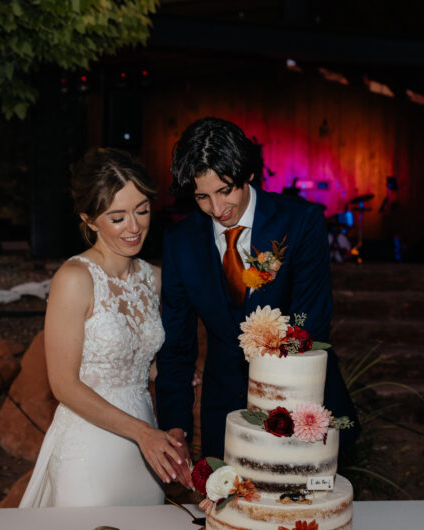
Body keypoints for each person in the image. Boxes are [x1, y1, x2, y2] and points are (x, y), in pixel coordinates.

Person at [155, 117, 358, 464]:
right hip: (224, 415)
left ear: (248, 174)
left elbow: (310, 324)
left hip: (302, 405)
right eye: (202, 196)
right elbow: (176, 345)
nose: (217, 209)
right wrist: (176, 426)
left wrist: (275, 415)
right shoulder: (180, 242)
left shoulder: (301, 223)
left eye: (225, 190)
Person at [20, 148, 191, 508]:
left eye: (142, 210)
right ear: (89, 219)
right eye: (117, 217)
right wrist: (142, 433)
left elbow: (139, 359)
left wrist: (175, 374)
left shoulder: (154, 279)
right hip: (90, 451)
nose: (134, 226)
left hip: (146, 451)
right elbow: (63, 384)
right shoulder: (74, 279)